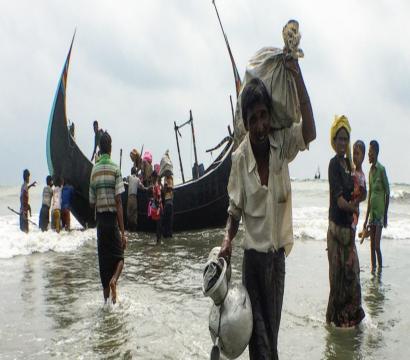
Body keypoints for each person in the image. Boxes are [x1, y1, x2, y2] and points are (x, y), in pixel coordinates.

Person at [218, 57, 316, 359]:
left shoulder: (281, 145)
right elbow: (234, 211)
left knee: (269, 340)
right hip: (253, 263)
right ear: (246, 124)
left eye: (263, 116)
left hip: (276, 264)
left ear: (270, 117)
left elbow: (309, 131)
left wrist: (297, 75)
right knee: (256, 339)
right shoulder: (239, 159)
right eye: (253, 119)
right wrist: (226, 241)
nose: (260, 125)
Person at [326, 115, 365, 328]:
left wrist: (362, 195)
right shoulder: (333, 165)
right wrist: (354, 207)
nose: (342, 143)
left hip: (348, 235)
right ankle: (331, 325)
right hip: (335, 232)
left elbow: (360, 192)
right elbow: (340, 201)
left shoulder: (350, 166)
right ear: (334, 140)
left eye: (345, 139)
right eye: (339, 139)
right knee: (337, 284)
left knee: (353, 280)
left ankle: (350, 324)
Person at [89, 131, 126, 304]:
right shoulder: (115, 169)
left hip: (101, 224)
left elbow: (91, 202)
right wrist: (123, 232)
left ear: (99, 148)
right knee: (119, 258)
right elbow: (119, 202)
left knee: (104, 265)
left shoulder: (94, 171)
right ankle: (114, 281)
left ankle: (106, 304)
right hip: (112, 221)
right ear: (110, 148)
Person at [362, 140, 390, 271]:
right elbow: (369, 197)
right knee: (371, 247)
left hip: (379, 214)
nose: (369, 155)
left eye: (371, 153)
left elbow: (388, 192)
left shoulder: (381, 170)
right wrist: (365, 219)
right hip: (372, 215)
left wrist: (385, 216)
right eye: (368, 153)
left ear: (376, 153)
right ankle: (374, 272)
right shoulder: (370, 172)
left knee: (377, 246)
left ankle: (380, 271)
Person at [352, 140, 367, 232]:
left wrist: (356, 201)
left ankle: (353, 246)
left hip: (354, 209)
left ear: (363, 156)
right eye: (354, 153)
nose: (355, 156)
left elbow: (364, 195)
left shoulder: (361, 176)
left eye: (357, 154)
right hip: (347, 206)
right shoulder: (351, 170)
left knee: (352, 230)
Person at [127, 166, 147, 231]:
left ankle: (129, 228)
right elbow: (142, 187)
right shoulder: (137, 179)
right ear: (136, 172)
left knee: (129, 213)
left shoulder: (129, 177)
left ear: (131, 172)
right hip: (134, 197)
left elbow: (126, 183)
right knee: (134, 213)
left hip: (129, 197)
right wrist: (146, 188)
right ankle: (134, 228)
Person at [149, 171, 163, 244]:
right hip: (158, 207)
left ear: (154, 177)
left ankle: (158, 242)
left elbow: (159, 198)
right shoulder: (155, 186)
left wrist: (158, 208)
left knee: (158, 226)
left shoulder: (156, 186)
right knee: (158, 226)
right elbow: (158, 197)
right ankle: (158, 242)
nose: (151, 179)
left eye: (152, 177)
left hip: (158, 208)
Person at [162, 174, 174, 238]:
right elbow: (164, 191)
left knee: (169, 222)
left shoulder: (170, 179)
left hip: (169, 202)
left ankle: (169, 235)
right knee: (166, 221)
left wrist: (166, 186)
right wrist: (165, 186)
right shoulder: (165, 180)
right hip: (166, 203)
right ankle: (166, 235)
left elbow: (171, 188)